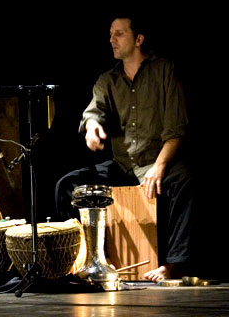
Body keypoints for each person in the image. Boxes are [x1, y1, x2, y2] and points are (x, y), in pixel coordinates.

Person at [55, 15, 195, 282]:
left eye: (119, 34)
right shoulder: (108, 80)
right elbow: (93, 112)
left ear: (138, 39)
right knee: (67, 185)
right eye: (110, 34)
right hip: (123, 166)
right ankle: (86, 259)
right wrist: (93, 126)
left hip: (156, 162)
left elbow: (176, 130)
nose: (112, 40)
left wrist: (159, 167)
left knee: (186, 179)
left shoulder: (164, 70)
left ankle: (174, 265)